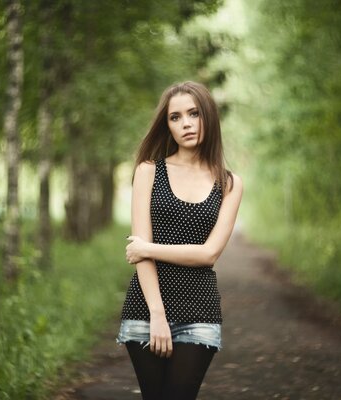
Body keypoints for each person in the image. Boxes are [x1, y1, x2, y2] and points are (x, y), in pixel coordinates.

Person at [116, 81, 243, 400]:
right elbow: (140, 255)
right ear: (167, 125)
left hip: (199, 311)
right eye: (175, 117)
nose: (185, 123)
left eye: (194, 113)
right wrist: (156, 313)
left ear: (208, 117)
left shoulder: (228, 183)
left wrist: (148, 247)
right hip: (145, 310)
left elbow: (209, 254)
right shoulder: (148, 171)